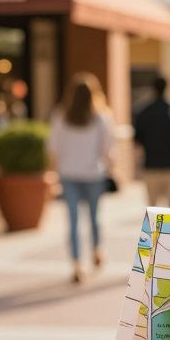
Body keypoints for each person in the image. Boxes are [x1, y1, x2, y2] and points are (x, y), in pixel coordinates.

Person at [49, 73, 114, 285]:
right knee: (94, 217)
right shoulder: (101, 117)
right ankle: (96, 250)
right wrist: (112, 169)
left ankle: (77, 264)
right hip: (94, 174)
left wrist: (52, 174)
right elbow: (107, 150)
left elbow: (53, 149)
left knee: (73, 221)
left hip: (68, 174)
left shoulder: (61, 116)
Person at [131, 76, 170, 208]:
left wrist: (136, 167)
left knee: (153, 210)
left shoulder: (143, 112)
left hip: (151, 166)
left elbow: (137, 143)